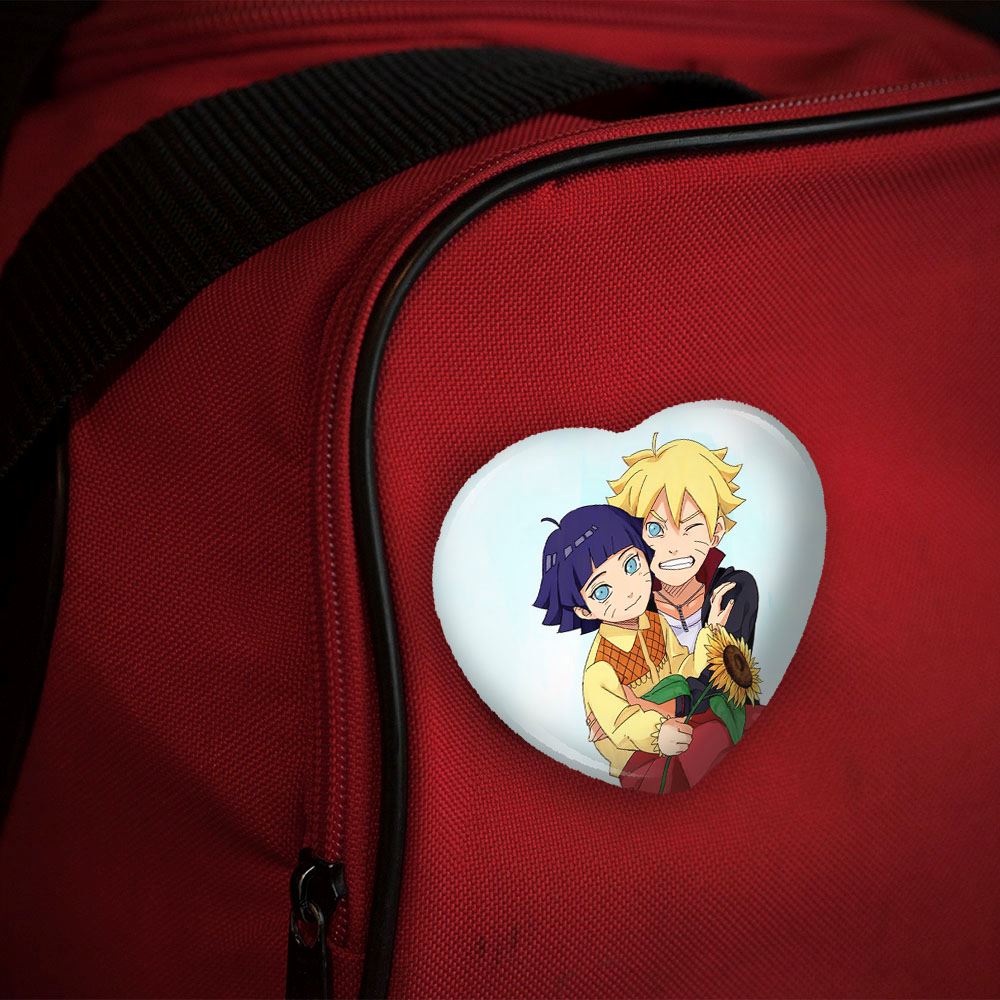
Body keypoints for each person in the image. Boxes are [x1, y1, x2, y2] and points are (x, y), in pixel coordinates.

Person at [532, 504, 735, 791]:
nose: (628, 590)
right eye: (603, 591)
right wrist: (657, 733)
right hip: (638, 759)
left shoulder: (655, 623)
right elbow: (618, 722)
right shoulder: (601, 666)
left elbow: (684, 669)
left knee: (725, 724)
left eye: (631, 566)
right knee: (708, 741)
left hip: (680, 724)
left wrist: (710, 632)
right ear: (585, 611)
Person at [607, 435, 758, 716]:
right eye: (655, 529)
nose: (673, 546)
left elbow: (722, 686)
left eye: (690, 527)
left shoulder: (732, 590)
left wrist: (649, 707)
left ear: (716, 533)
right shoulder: (631, 603)